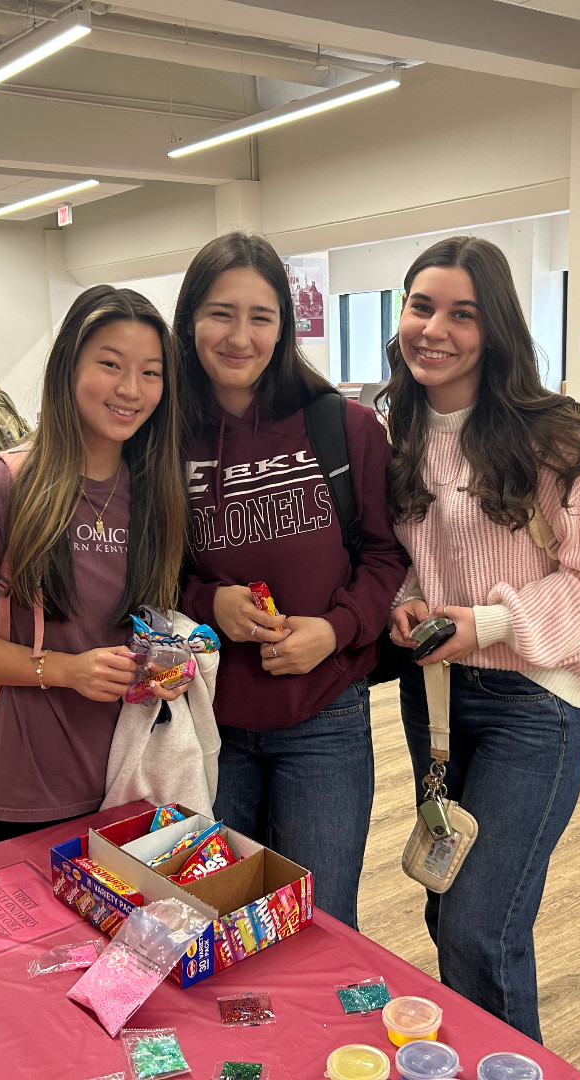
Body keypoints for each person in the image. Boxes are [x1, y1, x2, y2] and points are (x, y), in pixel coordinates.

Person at [385, 236, 580, 1042]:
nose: (435, 330)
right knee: (446, 900)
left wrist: (487, 623)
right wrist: (405, 604)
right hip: (436, 701)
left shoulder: (554, 443)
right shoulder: (397, 433)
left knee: (479, 926)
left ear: (494, 331)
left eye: (462, 314)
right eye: (422, 307)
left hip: (534, 705)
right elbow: (406, 558)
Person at [174, 232, 408, 930]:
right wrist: (207, 602)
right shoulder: (162, 438)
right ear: (189, 320)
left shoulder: (346, 427)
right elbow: (145, 571)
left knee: (322, 926)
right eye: (220, 313)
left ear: (285, 327)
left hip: (325, 718)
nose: (239, 336)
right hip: (208, 719)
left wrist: (334, 631)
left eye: (261, 316)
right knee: (213, 919)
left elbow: (385, 556)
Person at [0, 286, 188, 846]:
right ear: (68, 366)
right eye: (110, 364)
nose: (130, 389)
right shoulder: (0, 488)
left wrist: (170, 663)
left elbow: (153, 622)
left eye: (150, 373)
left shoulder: (157, 492)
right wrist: (65, 670)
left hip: (137, 778)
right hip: (30, 785)